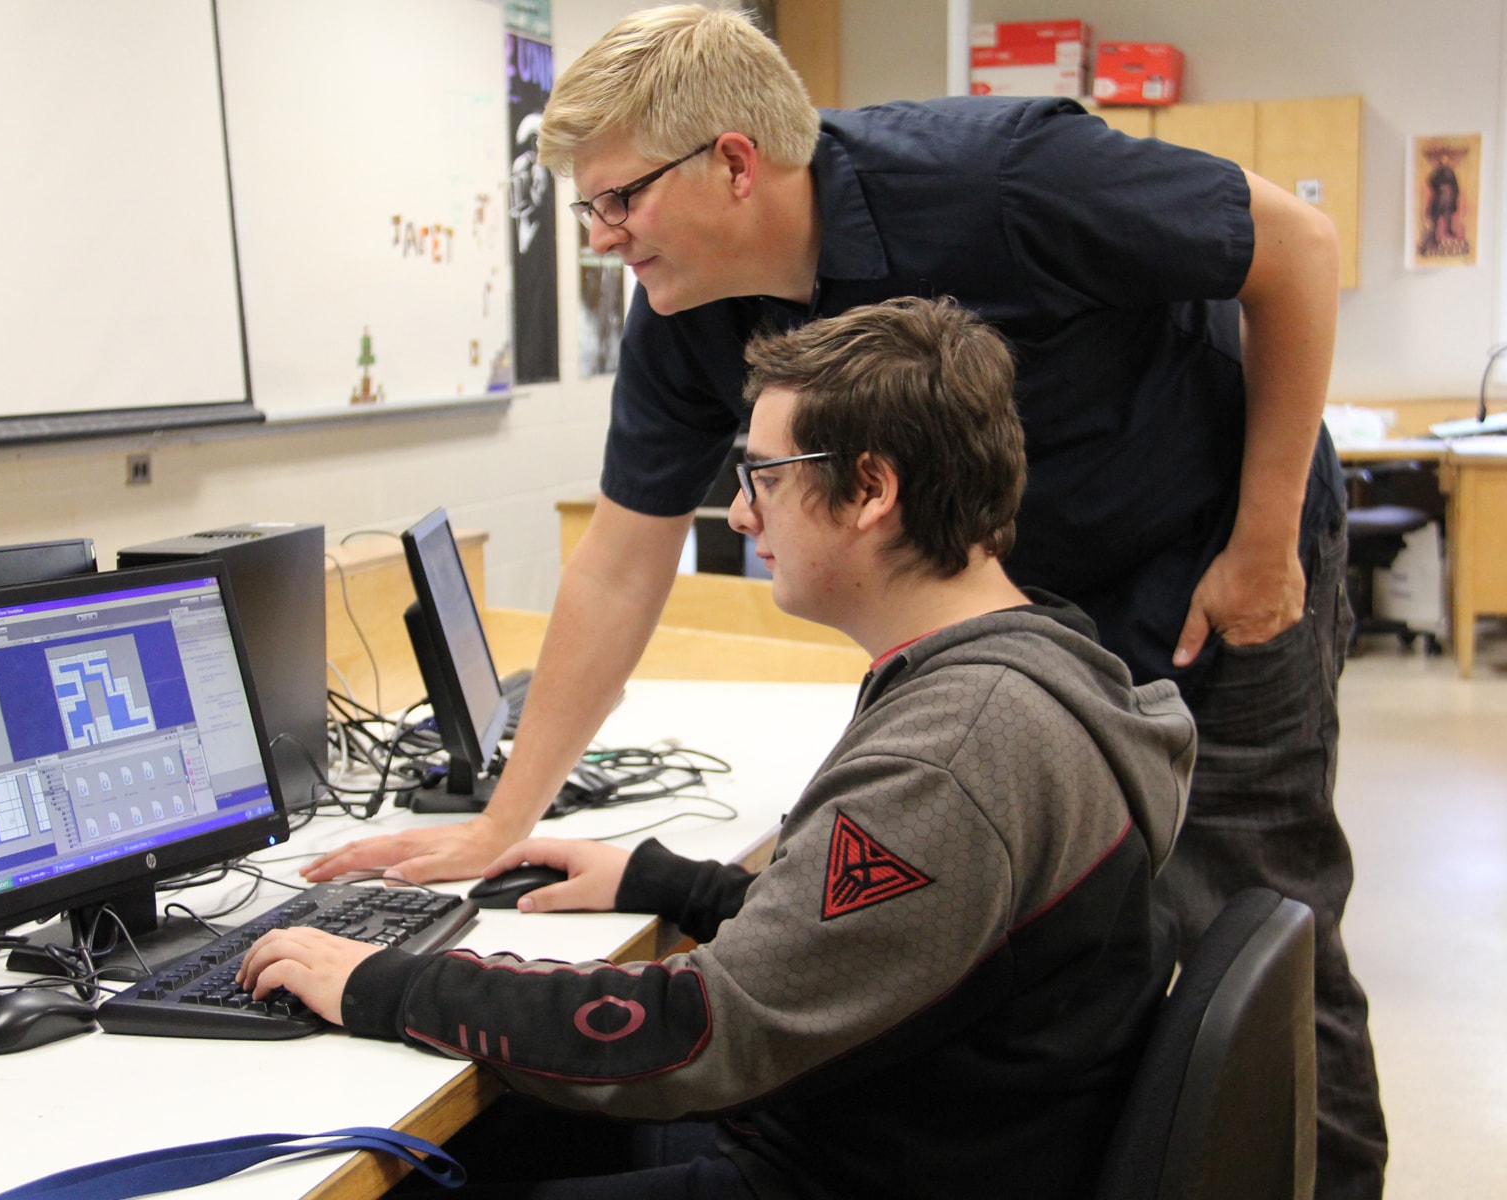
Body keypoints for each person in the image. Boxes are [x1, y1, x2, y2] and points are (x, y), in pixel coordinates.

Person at [302, 8, 1385, 1196]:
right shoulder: (688, 310)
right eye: (586, 209)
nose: (602, 237)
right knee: (1054, 933)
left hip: (1215, 542)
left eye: (619, 201)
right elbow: (619, 563)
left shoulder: (1004, 178)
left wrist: (1264, 537)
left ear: (730, 160)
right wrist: (501, 823)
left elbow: (1299, 250)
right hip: (1025, 601)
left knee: (1258, 924)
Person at [242, 297, 1197, 1198]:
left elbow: (699, 1033)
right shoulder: (1038, 662)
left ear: (870, 488)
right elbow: (881, 942)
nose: (741, 515)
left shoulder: (953, 753)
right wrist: (666, 883)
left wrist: (388, 983)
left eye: (764, 479)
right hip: (905, 1131)